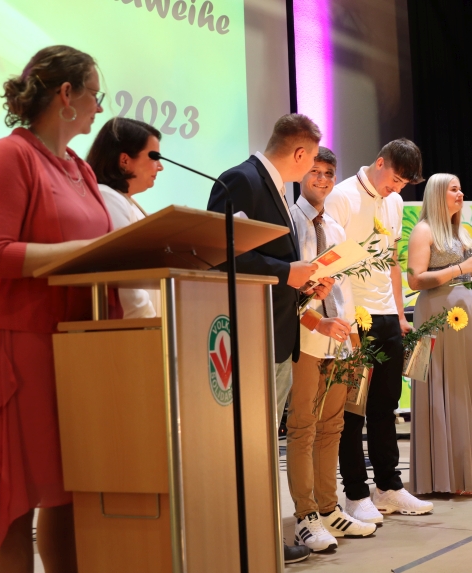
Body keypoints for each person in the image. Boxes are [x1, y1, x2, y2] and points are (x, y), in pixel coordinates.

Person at [0, 45, 115, 573]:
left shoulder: (79, 168)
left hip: (78, 351)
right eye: (94, 95)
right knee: (17, 498)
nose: (99, 108)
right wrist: (81, 253)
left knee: (70, 492)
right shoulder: (12, 156)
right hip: (24, 351)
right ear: (66, 94)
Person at [207, 113, 328, 565]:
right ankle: (245, 537)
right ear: (299, 153)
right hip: (249, 336)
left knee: (262, 448)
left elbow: (265, 258)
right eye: (312, 159)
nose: (313, 168)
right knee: (249, 448)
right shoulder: (241, 180)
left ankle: (260, 535)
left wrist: (304, 283)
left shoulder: (273, 186)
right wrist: (286, 273)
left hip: (274, 334)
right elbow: (218, 253)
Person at [324, 139, 433, 521]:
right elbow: (335, 266)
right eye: (395, 179)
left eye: (403, 184)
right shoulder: (342, 197)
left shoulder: (395, 202)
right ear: (380, 162)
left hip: (387, 314)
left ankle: (388, 487)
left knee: (386, 406)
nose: (396, 188)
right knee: (352, 411)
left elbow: (391, 261)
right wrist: (350, 323)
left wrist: (400, 314)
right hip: (354, 317)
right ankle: (355, 493)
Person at [287, 147, 377, 552]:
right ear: (301, 174)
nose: (322, 180)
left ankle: (327, 508)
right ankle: (304, 517)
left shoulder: (336, 228)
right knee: (303, 427)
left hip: (339, 338)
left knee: (332, 426)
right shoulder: (290, 222)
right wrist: (313, 320)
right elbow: (285, 292)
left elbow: (343, 288)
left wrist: (354, 336)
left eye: (328, 173)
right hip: (305, 336)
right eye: (315, 172)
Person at [407, 174, 472, 494]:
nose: (461, 194)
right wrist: (460, 269)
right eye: (454, 189)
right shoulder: (424, 230)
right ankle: (452, 476)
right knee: (446, 387)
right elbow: (415, 280)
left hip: (465, 314)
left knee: (467, 388)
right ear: (438, 194)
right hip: (437, 315)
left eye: (461, 188)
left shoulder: (459, 231)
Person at [87, 117, 163, 319]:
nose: (160, 167)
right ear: (125, 161)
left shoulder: (124, 200)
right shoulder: (107, 197)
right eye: (154, 157)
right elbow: (127, 281)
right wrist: (152, 323)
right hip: (132, 328)